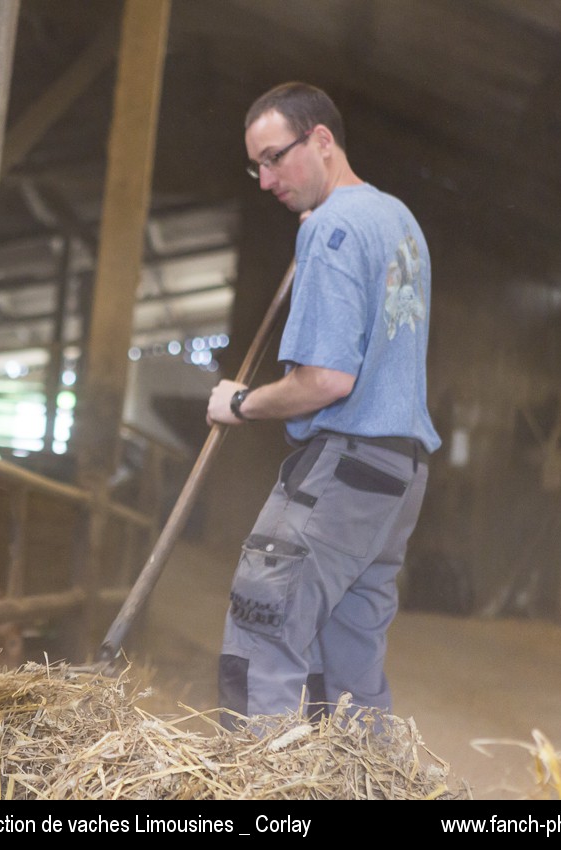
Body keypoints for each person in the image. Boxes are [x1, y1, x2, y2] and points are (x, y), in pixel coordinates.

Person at [206, 82, 441, 727]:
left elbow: (327, 380)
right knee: (349, 667)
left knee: (264, 625)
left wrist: (243, 402)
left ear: (322, 140)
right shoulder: (396, 219)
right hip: (398, 476)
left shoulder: (333, 229)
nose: (264, 179)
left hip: (345, 464)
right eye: (255, 164)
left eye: (275, 157)